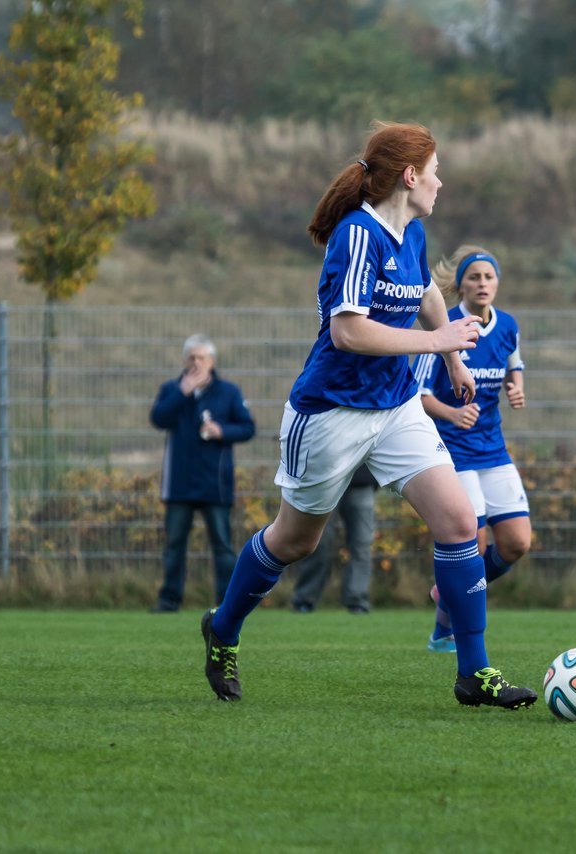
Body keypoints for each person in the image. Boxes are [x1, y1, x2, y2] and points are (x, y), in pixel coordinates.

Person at [200, 121, 536, 710]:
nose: (441, 181)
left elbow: (428, 296)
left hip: (398, 405)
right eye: (434, 171)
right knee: (295, 541)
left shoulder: (410, 232)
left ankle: (473, 672)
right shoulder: (358, 235)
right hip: (331, 413)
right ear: (410, 177)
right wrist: (436, 347)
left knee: (459, 522)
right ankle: (223, 628)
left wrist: (453, 356)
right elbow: (348, 332)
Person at [413, 246, 532, 653]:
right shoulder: (444, 325)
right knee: (472, 545)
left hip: (493, 449)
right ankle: (447, 630)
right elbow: (419, 396)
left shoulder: (508, 325)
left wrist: (516, 386)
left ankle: (449, 594)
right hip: (454, 452)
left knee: (517, 543)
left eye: (489, 277)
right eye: (475, 277)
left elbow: (514, 363)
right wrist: (451, 413)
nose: (483, 284)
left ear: (498, 283)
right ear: (460, 284)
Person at [150, 334, 256, 613]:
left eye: (201, 357)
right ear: (184, 360)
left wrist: (222, 431)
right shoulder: (172, 389)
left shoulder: (228, 392)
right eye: (191, 357)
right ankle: (169, 600)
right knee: (174, 545)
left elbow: (247, 428)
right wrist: (181, 393)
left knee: (222, 545)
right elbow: (158, 418)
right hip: (179, 483)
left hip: (215, 484)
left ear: (212, 361)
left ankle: (227, 603)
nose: (196, 362)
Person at [289, 463, 378, 614]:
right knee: (318, 543)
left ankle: (357, 602)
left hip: (362, 480)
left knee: (361, 545)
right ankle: (305, 599)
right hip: (324, 479)